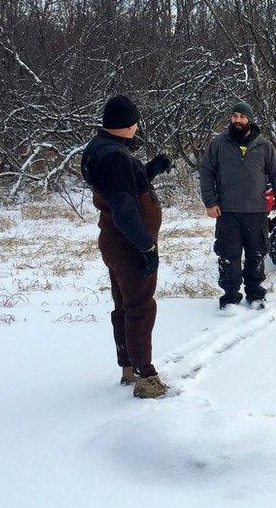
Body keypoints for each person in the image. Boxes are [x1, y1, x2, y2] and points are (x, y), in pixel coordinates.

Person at [81, 95, 173, 398]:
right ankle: (146, 378)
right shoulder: (114, 157)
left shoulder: (101, 149)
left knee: (125, 305)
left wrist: (150, 170)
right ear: (125, 124)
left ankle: (128, 367)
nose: (136, 128)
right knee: (140, 308)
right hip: (128, 244)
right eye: (134, 122)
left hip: (116, 241)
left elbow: (120, 186)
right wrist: (146, 247)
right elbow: (122, 208)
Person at [199, 101, 276, 310]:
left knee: (256, 254)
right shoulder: (218, 144)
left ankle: (255, 294)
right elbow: (206, 172)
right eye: (235, 116)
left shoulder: (263, 145)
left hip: (256, 211)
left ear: (250, 119)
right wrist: (210, 201)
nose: (237, 120)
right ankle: (230, 298)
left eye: (242, 116)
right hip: (227, 212)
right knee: (228, 256)